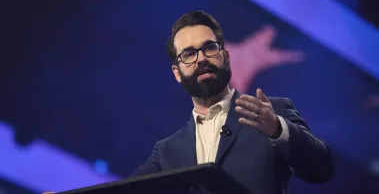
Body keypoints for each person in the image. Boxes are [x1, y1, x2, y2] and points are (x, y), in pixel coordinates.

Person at [43, 10, 335, 194]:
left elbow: (322, 168)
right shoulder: (168, 151)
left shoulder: (270, 112)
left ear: (226, 55)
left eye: (210, 47)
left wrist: (278, 130)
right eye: (188, 54)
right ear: (177, 73)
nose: (202, 59)